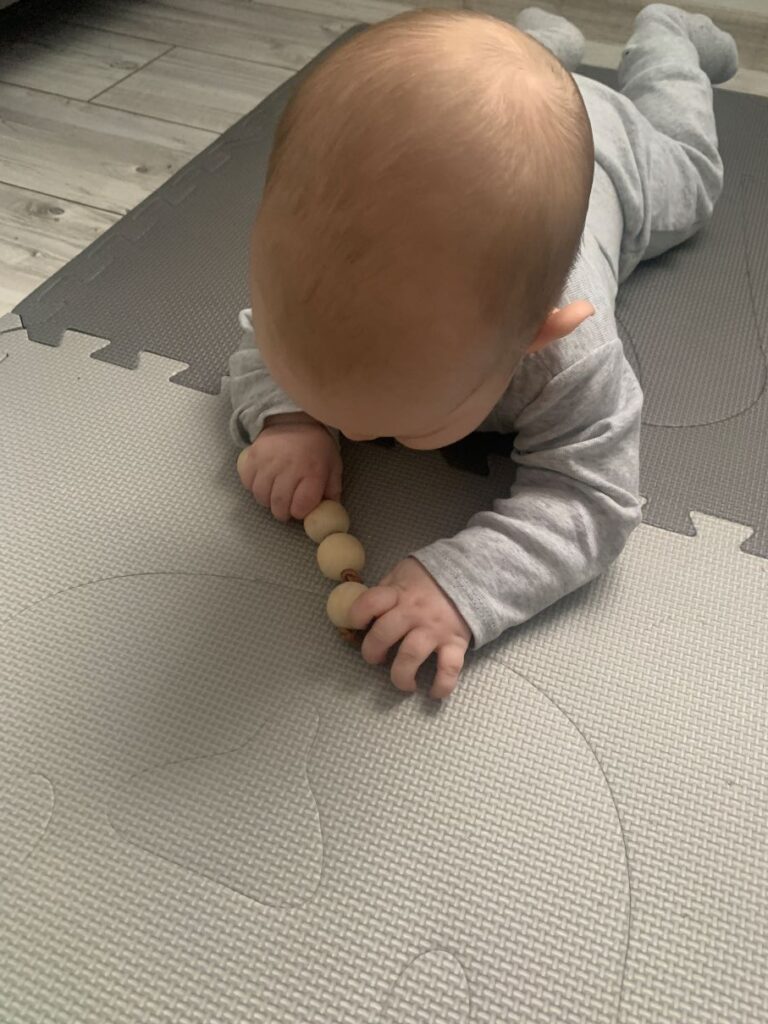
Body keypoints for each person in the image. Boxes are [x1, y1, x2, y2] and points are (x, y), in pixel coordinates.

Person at [230, 5, 738, 697]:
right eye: (326, 402)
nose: (349, 435)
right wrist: (288, 418)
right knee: (492, 88)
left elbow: (592, 499)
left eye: (399, 423)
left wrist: (462, 582)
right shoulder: (312, 289)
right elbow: (262, 345)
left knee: (694, 177)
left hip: (618, 155)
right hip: (495, 142)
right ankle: (535, 48)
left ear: (535, 341)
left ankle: (666, 40)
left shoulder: (571, 362)